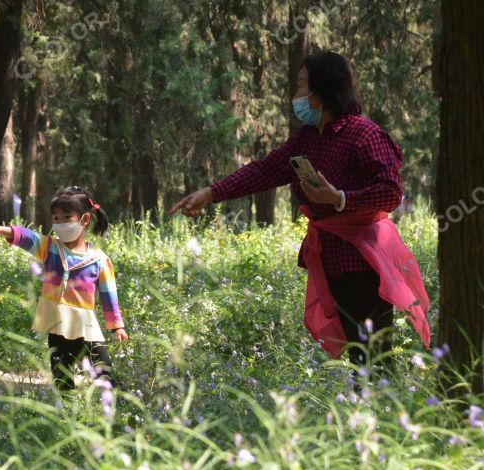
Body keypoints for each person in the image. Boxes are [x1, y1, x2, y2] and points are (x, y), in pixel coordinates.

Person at [170, 51, 430, 376]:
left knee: (375, 358)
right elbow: (265, 171)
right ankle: (362, 418)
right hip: (330, 263)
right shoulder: (307, 138)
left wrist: (340, 198)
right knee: (352, 358)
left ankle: (387, 417)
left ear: (321, 92)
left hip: (365, 266)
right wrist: (211, 193)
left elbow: (390, 192)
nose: (296, 96)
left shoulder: (364, 135)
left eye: (301, 86)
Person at [0, 186, 129, 390]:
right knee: (61, 377)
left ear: (84, 220)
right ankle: (66, 416)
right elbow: (30, 237)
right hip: (56, 325)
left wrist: (117, 325)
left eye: (67, 217)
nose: (60, 223)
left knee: (103, 372)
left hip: (86, 327)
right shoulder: (50, 248)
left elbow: (109, 295)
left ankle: (119, 407)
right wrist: (5, 231)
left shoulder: (99, 260)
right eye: (56, 218)